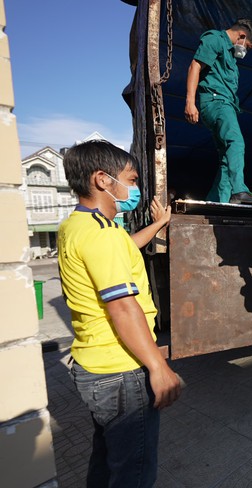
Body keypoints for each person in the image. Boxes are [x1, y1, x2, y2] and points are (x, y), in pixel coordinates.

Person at [58, 140, 181, 487]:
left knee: (107, 460)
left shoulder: (78, 226)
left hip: (95, 367)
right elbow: (124, 307)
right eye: (132, 180)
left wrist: (159, 224)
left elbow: (127, 245)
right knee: (134, 474)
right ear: (102, 180)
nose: (135, 189)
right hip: (121, 372)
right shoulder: (103, 235)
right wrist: (157, 366)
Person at [185, 18, 252, 204]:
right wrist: (190, 102)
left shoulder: (231, 56)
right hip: (216, 101)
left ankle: (218, 200)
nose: (245, 51)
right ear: (242, 36)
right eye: (248, 47)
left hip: (226, 105)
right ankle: (239, 191)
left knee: (228, 156)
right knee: (236, 142)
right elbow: (195, 66)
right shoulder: (215, 39)